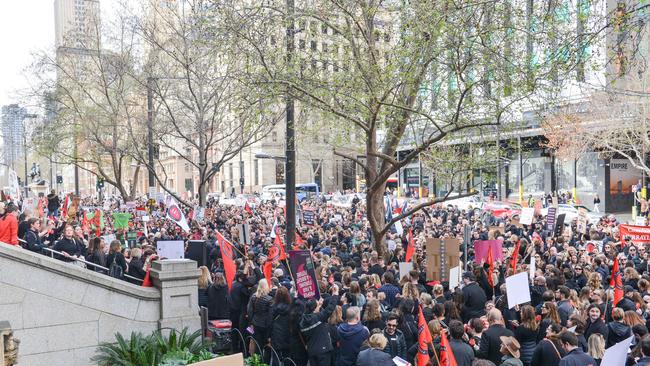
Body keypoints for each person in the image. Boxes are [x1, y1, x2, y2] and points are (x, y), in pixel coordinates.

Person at [300, 285, 340, 366]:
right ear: (314, 309)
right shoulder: (318, 317)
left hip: (311, 351)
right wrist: (335, 294)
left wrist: (319, 304)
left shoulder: (302, 320)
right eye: (318, 305)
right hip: (323, 352)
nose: (320, 306)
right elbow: (330, 309)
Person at [247, 279, 273, 354]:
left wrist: (251, 321)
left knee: (257, 345)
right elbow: (270, 316)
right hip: (265, 326)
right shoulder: (269, 299)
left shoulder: (253, 297)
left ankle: (257, 361)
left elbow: (249, 311)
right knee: (266, 346)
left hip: (255, 323)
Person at [270, 287, 292, 363]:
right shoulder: (291, 308)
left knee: (275, 356)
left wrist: (268, 336)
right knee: (287, 357)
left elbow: (270, 322)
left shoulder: (273, 308)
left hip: (276, 334)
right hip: (288, 334)